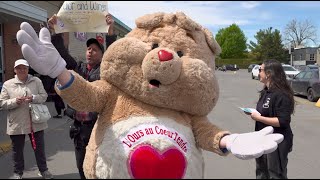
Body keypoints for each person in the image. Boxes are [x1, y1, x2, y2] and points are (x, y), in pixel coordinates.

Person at [47, 13, 117, 179]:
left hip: (97, 127)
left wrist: (111, 31)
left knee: (99, 166)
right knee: (81, 167)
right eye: (88, 49)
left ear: (101, 54)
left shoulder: (105, 71)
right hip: (79, 129)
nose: (90, 52)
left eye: (94, 49)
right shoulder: (78, 67)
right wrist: (55, 31)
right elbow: (62, 55)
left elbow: (113, 57)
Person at [0, 59, 53, 179]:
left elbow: (44, 96)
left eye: (24, 68)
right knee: (17, 150)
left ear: (28, 69)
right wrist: (15, 101)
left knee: (39, 148)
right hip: (16, 122)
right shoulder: (8, 84)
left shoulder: (36, 81)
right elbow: (2, 103)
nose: (22, 70)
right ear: (15, 70)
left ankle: (43, 170)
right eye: (19, 68)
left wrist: (33, 98)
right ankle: (18, 173)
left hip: (35, 121)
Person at [247, 59, 294, 179]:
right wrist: (255, 113)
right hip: (262, 139)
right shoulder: (266, 92)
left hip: (277, 142)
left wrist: (259, 118)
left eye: (260, 70)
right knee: (261, 172)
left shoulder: (282, 94)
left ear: (269, 73)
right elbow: (265, 112)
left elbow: (282, 121)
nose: (258, 72)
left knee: (275, 174)